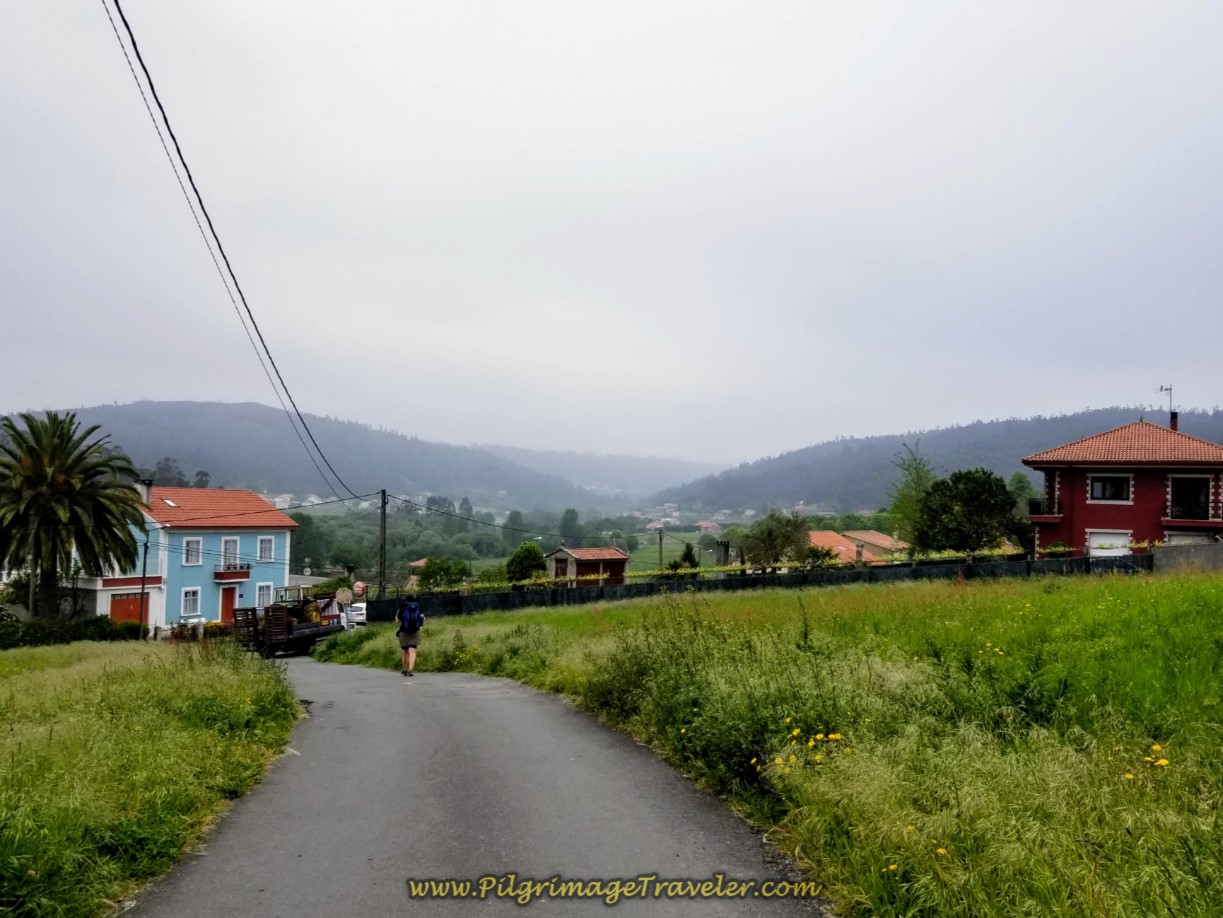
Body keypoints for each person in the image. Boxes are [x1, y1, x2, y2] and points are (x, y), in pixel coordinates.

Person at [395, 596, 424, 676]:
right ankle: (411, 670)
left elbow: (397, 620)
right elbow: (423, 618)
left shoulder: (403, 606)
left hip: (404, 631)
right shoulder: (418, 607)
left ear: (406, 600)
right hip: (415, 631)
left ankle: (405, 669)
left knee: (405, 651)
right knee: (412, 651)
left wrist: (398, 613)